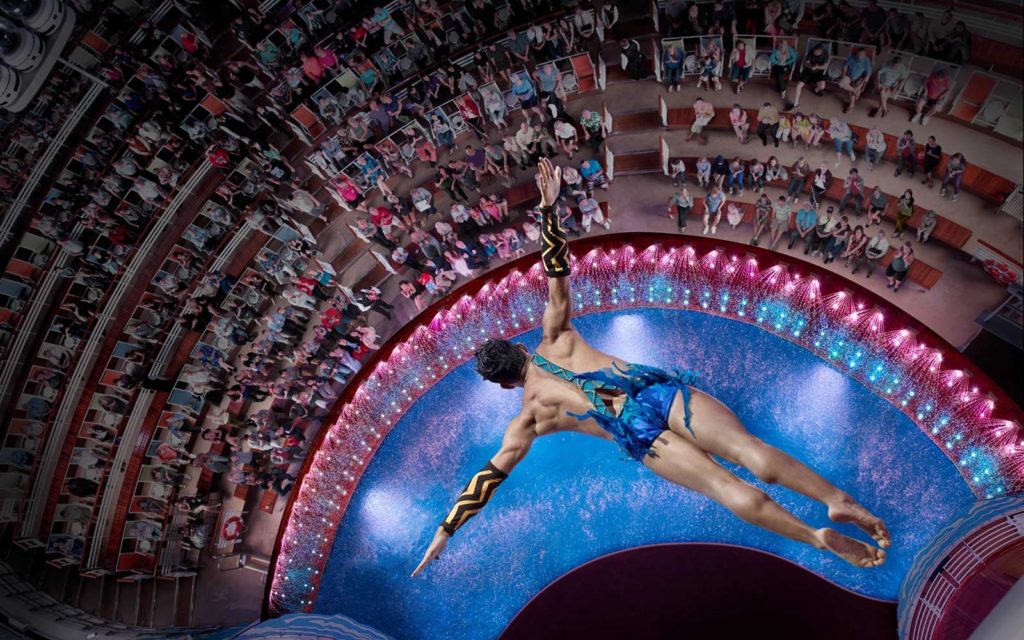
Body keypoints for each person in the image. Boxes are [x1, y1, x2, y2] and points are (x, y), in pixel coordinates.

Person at [414, 158, 890, 579]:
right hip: (657, 393)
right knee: (754, 453)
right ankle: (835, 499)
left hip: (638, 435)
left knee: (726, 489)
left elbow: (487, 479)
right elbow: (556, 271)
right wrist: (548, 209)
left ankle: (813, 537)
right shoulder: (555, 336)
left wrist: (444, 530)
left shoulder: (529, 418)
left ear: (503, 385)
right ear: (520, 347)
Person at [789, 41, 829, 110]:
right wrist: (811, 66)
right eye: (814, 52)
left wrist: (817, 67)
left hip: (818, 72)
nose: (814, 53)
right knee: (798, 86)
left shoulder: (826, 54)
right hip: (808, 71)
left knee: (822, 86)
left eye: (816, 53)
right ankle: (796, 104)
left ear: (821, 52)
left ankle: (816, 90)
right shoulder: (811, 51)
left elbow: (824, 66)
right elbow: (805, 63)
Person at [839, 48, 872, 113]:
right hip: (849, 76)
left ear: (865, 55)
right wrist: (843, 76)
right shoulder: (851, 57)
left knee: (853, 91)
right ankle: (855, 91)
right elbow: (845, 66)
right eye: (858, 54)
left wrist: (862, 85)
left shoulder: (867, 61)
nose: (859, 56)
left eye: (861, 55)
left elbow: (867, 75)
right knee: (840, 83)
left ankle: (851, 105)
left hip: (859, 78)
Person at [769, 38, 798, 103]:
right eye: (780, 46)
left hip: (786, 66)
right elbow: (771, 59)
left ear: (786, 45)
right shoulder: (776, 50)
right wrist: (778, 63)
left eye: (784, 46)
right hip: (777, 65)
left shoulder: (790, 50)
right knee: (778, 73)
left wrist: (786, 62)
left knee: (780, 73)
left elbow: (794, 57)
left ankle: (781, 89)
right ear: (779, 46)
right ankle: (783, 90)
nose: (782, 48)